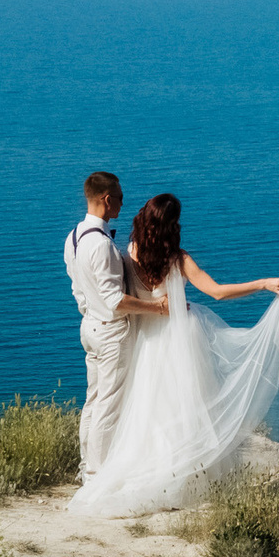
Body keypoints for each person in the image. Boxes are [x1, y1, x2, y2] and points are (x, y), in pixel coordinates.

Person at [68, 192, 279, 515]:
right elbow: (218, 293)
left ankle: (115, 469)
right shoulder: (178, 259)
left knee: (147, 408)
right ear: (172, 226)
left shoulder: (128, 254)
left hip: (145, 340)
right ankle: (184, 474)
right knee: (185, 406)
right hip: (180, 338)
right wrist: (263, 283)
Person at [63, 171, 170, 482]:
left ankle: (87, 467)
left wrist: (90, 311)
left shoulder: (73, 238)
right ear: (107, 199)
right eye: (120, 198)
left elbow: (78, 289)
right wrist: (158, 308)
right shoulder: (103, 246)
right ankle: (98, 476)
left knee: (94, 400)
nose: (123, 204)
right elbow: (115, 301)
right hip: (111, 332)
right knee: (109, 406)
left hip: (89, 327)